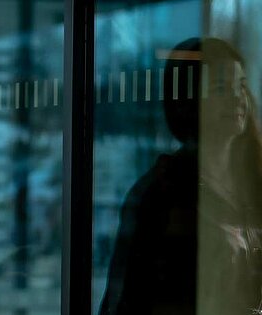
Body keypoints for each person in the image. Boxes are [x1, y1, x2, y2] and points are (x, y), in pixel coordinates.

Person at [99, 37, 262, 314]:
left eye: (241, 86)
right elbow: (127, 300)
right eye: (222, 87)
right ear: (189, 100)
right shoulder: (160, 194)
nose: (238, 98)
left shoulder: (252, 181)